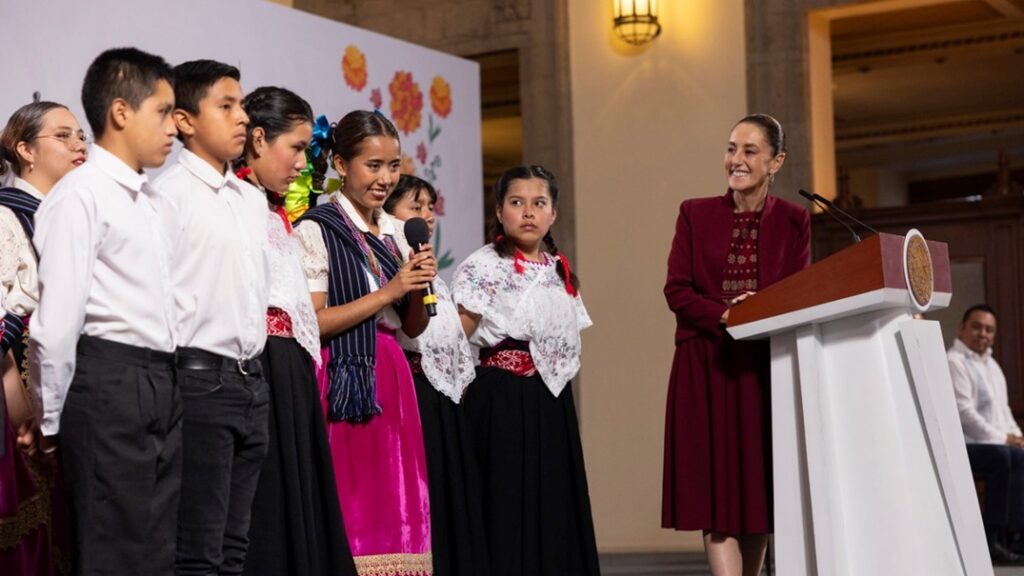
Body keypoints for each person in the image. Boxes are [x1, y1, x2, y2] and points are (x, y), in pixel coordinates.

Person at [29, 47, 180, 576]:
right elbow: (56, 323)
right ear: (121, 112)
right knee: (115, 551)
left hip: (164, 378)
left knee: (159, 550)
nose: (173, 127)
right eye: (163, 112)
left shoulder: (152, 201)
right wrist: (51, 421)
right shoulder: (81, 196)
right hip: (110, 380)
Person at [661, 114, 810, 576]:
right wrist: (727, 313)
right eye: (731, 149)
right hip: (706, 363)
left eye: (749, 151)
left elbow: (800, 291)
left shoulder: (795, 219)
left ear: (776, 161)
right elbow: (677, 291)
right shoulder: (694, 212)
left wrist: (761, 309)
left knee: (755, 491)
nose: (736, 160)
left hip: (763, 365)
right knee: (716, 493)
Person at [294, 110, 435, 575]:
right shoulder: (317, 229)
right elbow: (312, 322)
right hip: (344, 375)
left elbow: (412, 326)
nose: (385, 178)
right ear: (340, 163)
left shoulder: (398, 232)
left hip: (391, 371)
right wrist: (390, 291)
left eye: (393, 166)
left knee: (399, 499)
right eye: (373, 166)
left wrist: (415, 291)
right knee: (352, 502)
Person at [452, 165, 600, 576]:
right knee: (504, 504)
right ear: (499, 212)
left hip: (551, 402)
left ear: (553, 214)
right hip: (499, 399)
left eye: (540, 203)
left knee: (553, 502)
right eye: (517, 203)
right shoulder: (482, 266)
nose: (529, 212)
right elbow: (455, 338)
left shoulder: (560, 271)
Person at [154, 59, 271, 576]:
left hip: (254, 382)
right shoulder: (164, 195)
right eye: (226, 106)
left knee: (235, 547)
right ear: (183, 120)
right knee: (196, 549)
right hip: (197, 379)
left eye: (241, 104)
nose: (242, 117)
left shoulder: (251, 200)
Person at [235, 86, 357, 576]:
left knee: (297, 496)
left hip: (290, 366)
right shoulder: (234, 207)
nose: (305, 163)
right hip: (256, 362)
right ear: (259, 139)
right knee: (264, 504)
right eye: (297, 147)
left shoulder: (272, 210)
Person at [384, 174, 489, 576]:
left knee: (452, 493)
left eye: (430, 207)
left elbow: (443, 332)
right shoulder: (392, 260)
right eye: (415, 207)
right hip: (414, 392)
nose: (426, 216)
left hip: (447, 396)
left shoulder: (432, 271)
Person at [0, 100, 85, 575]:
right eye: (63, 135)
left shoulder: (71, 215)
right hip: (26, 407)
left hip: (76, 395)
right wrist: (24, 411)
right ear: (24, 150)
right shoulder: (8, 218)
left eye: (81, 136)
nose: (78, 145)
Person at [948, 304, 1024, 565]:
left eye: (989, 330)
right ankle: (990, 541)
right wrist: (1005, 439)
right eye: (977, 327)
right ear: (962, 328)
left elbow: (1004, 411)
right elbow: (965, 414)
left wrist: (1017, 437)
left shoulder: (992, 365)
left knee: (1018, 455)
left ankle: (1016, 536)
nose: (983, 334)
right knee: (1003, 457)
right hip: (963, 445)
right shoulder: (953, 361)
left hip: (993, 444)